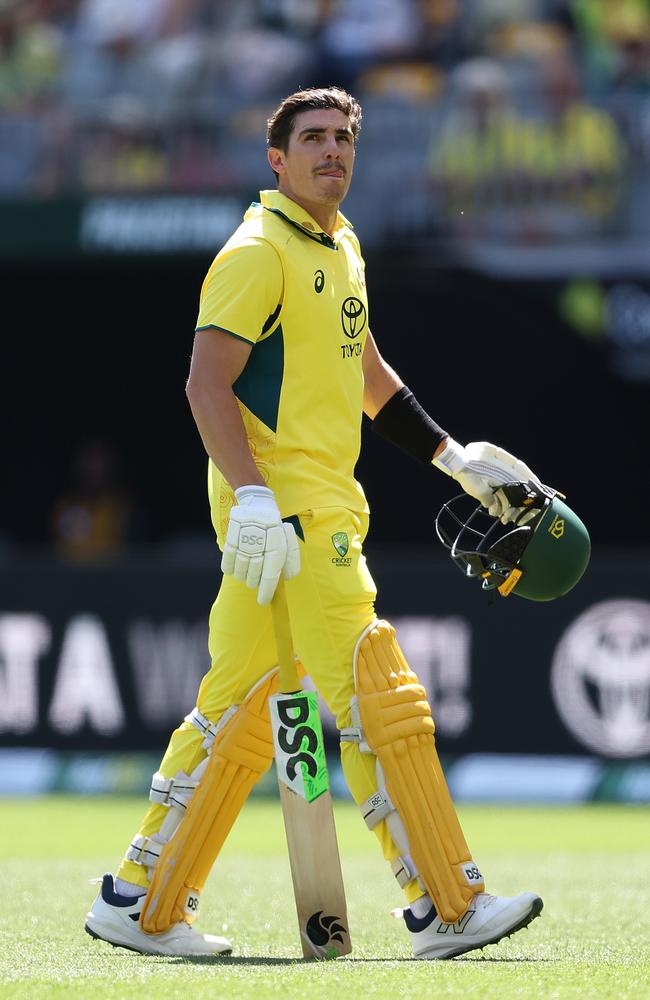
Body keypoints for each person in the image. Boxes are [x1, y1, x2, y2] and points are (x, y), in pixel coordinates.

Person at [85, 86, 544, 960]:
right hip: (288, 513)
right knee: (378, 691)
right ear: (277, 158)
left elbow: (364, 369)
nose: (332, 151)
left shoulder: (341, 245)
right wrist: (254, 496)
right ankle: (446, 906)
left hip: (315, 505)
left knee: (239, 709)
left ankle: (138, 900)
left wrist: (452, 456)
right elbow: (204, 385)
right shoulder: (257, 251)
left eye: (344, 138)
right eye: (314, 139)